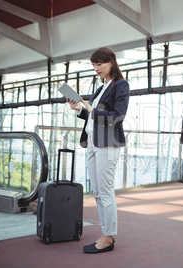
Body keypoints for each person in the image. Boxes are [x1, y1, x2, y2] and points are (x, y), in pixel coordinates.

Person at [67, 47, 129, 254]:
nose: (96, 68)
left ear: (111, 62)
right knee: (97, 193)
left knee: (105, 191)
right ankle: (105, 234)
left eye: (99, 64)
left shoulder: (121, 85)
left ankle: (109, 237)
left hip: (109, 144)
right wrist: (81, 110)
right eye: (93, 65)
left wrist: (92, 109)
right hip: (93, 142)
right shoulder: (102, 87)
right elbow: (93, 116)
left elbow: (118, 115)